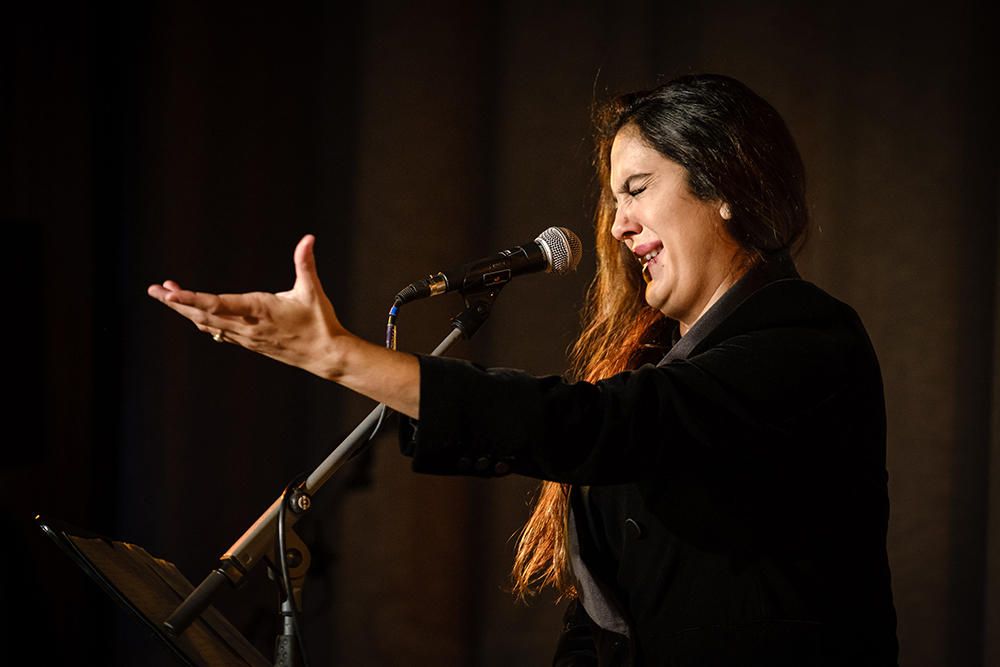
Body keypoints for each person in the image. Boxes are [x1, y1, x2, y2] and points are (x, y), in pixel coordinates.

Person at [148, 74, 898, 665]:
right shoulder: (658, 360)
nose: (615, 225)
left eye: (637, 189)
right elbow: (606, 615)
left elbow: (596, 425)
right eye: (611, 200)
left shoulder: (806, 339)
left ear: (727, 184)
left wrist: (339, 355)